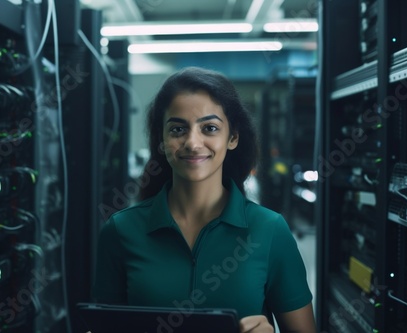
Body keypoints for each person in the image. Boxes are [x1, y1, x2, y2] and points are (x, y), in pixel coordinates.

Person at [92, 66, 316, 333]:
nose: (193, 143)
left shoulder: (270, 230)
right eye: (177, 130)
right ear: (161, 140)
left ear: (232, 137)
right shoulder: (121, 231)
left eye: (209, 128)